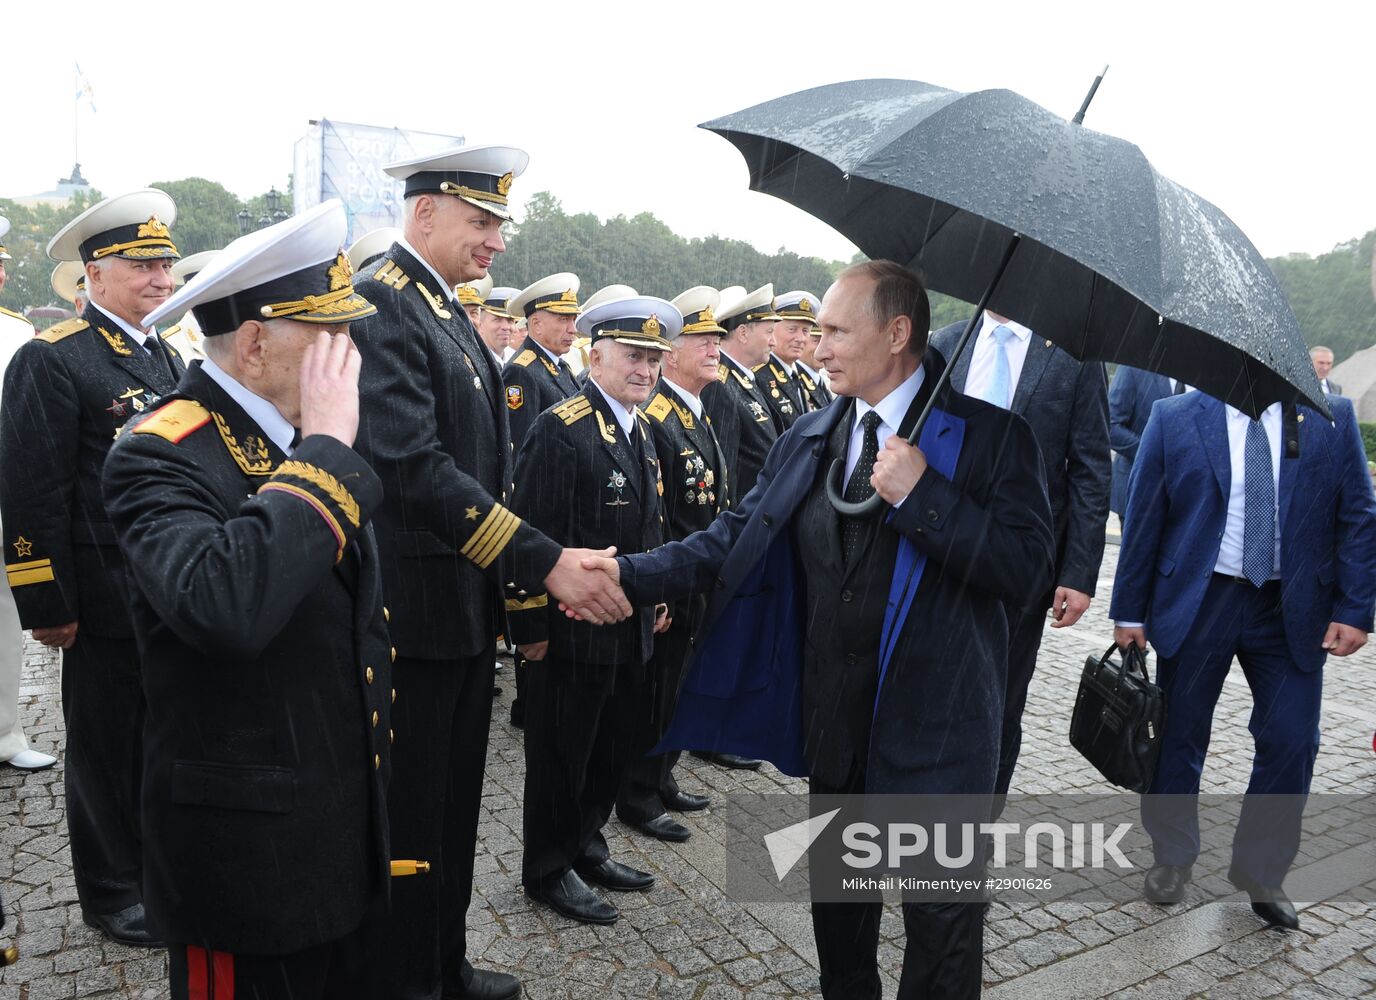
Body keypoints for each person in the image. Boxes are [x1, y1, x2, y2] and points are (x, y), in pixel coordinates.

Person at [594, 261, 1055, 997]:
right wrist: (624, 573)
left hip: (938, 739)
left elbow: (1027, 572)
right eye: (818, 332)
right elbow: (733, 534)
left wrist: (924, 496)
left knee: (941, 930)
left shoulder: (994, 440)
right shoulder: (814, 434)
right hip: (839, 727)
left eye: (837, 331)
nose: (818, 347)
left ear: (897, 333)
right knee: (841, 915)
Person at [349, 144, 629, 1000]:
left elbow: (477, 469)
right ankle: (406, 978)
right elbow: (410, 467)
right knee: (413, 816)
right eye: (482, 221)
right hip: (413, 617)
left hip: (460, 612)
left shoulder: (439, 308)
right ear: (425, 212)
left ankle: (442, 961)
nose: (497, 241)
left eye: (501, 224)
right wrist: (543, 562)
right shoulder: (380, 303)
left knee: (453, 810)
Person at [103, 200, 392, 999]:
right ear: (258, 343)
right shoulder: (160, 451)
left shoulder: (293, 437)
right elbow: (223, 606)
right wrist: (330, 452)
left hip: (330, 817)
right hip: (243, 855)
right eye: (330, 335)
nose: (351, 355)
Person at [1110, 388, 1376, 930]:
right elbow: (1145, 517)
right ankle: (1173, 856)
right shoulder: (1174, 417)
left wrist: (1356, 607)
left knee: (1292, 738)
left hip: (1291, 606)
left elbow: (1357, 513)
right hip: (1201, 598)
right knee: (1179, 736)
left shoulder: (1330, 417)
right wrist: (1130, 610)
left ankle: (1260, 871)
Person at [1, 189, 186, 946]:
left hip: (167, 588)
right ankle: (111, 892)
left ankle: (155, 870)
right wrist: (47, 603)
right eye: (143, 265)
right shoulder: (54, 359)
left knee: (158, 739)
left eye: (166, 264)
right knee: (107, 751)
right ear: (93, 274)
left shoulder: (165, 353)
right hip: (104, 597)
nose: (161, 279)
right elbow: (31, 489)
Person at [510, 296, 677, 925]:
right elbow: (526, 532)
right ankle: (548, 868)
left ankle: (587, 844)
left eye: (655, 358)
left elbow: (649, 525)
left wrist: (656, 594)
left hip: (627, 626)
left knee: (611, 746)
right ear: (595, 353)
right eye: (634, 355)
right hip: (570, 634)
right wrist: (528, 627)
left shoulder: (640, 427)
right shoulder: (561, 427)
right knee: (561, 756)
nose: (646, 369)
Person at [930, 311, 1110, 800]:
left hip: (1021, 563)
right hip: (940, 552)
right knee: (932, 692)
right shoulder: (947, 343)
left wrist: (1078, 573)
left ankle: (977, 828)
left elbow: (1090, 469)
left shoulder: (1074, 358)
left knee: (1000, 703)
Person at [613, 286, 728, 843]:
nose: (715, 349)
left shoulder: (694, 412)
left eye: (718, 339)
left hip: (695, 577)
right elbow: (655, 512)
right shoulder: (659, 417)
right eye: (703, 339)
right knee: (657, 690)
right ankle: (636, 792)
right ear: (675, 353)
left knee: (678, 687)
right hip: (673, 577)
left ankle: (662, 777)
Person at [691, 283, 783, 771]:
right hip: (737, 531)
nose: (773, 338)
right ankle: (710, 733)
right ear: (743, 331)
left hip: (751, 530)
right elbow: (721, 471)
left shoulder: (744, 384)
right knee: (722, 632)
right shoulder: (725, 390)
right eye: (767, 328)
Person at [0, 221, 57, 773]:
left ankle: (4, 734)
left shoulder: (15, 333)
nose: (1, 273)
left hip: (2, 500)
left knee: (2, 619)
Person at [502, 272, 582, 452]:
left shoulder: (559, 365)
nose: (573, 329)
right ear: (537, 324)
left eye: (573, 319)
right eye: (563, 319)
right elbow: (522, 448)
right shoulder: (521, 372)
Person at [1107, 365, 1183, 517]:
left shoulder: (1199, 376)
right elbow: (1111, 425)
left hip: (1183, 495)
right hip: (1139, 489)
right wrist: (1152, 453)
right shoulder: (1134, 368)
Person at [777, 291, 833, 411]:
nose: (800, 339)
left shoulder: (794, 377)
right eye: (792, 329)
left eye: (805, 331)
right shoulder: (761, 376)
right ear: (773, 329)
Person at [477, 284, 518, 363]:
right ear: (480, 325)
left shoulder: (516, 360)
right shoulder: (475, 361)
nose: (506, 327)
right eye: (497, 319)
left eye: (510, 320)